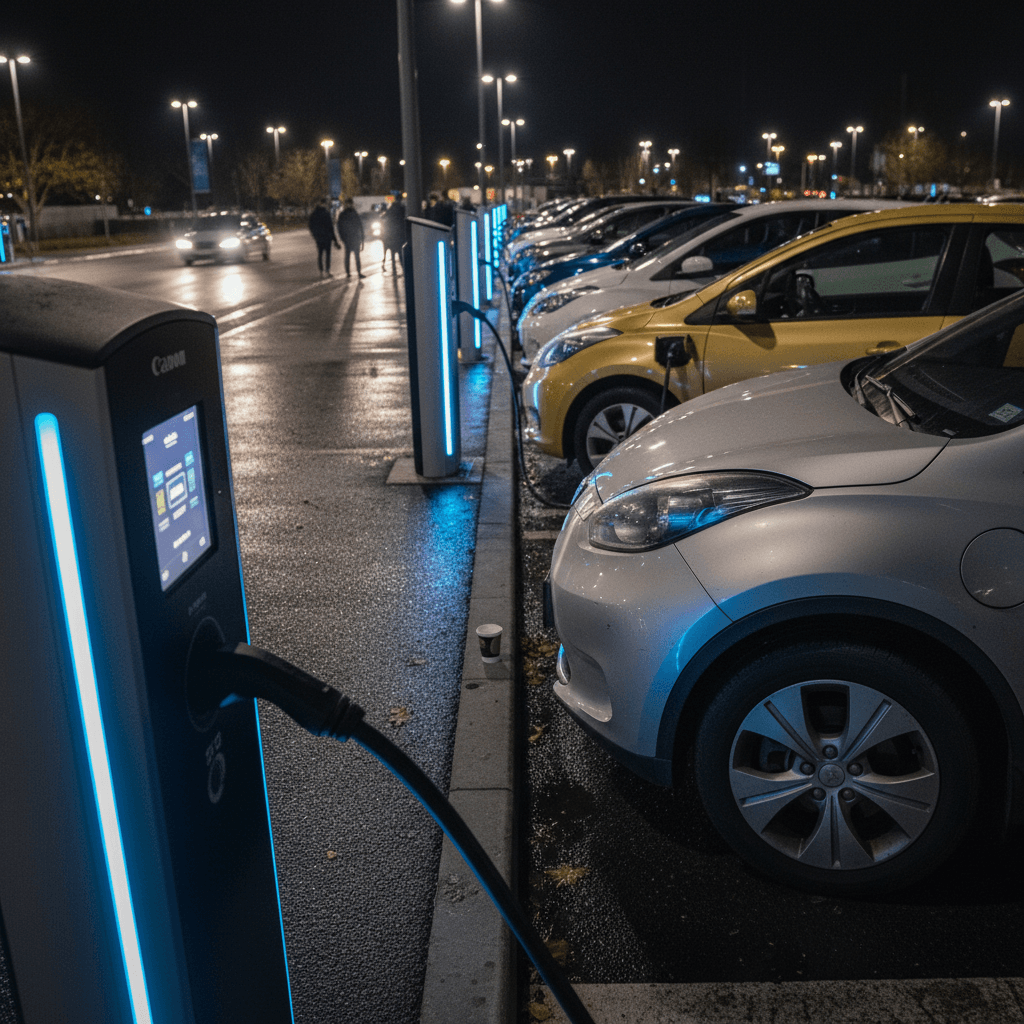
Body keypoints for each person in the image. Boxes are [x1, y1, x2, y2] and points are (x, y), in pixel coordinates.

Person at [336, 198, 365, 278]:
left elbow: (359, 226)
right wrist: (343, 238)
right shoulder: (351, 213)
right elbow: (340, 227)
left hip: (352, 238)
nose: (349, 205)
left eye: (350, 204)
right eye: (348, 204)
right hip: (351, 238)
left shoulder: (346, 214)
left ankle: (355, 272)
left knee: (353, 257)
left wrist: (362, 238)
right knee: (351, 257)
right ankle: (351, 273)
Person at [308, 200, 338, 277]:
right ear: (324, 204)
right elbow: (330, 227)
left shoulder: (314, 214)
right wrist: (334, 240)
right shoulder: (326, 213)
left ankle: (321, 271)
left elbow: (310, 226)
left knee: (320, 254)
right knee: (327, 255)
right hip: (327, 238)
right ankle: (327, 271)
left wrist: (315, 235)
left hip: (319, 238)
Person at [380, 199, 407, 275]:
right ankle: (404, 269)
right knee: (400, 253)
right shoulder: (402, 209)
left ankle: (394, 270)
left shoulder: (391, 210)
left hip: (392, 236)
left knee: (392, 254)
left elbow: (384, 217)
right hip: (400, 235)